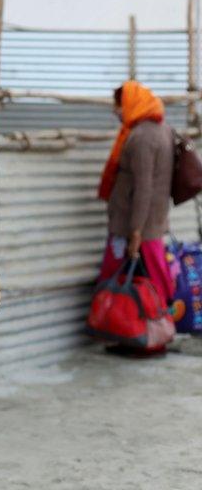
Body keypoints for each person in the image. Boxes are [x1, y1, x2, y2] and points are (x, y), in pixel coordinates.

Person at [97, 80, 175, 354]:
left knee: (117, 281)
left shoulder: (141, 137)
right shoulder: (162, 129)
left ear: (130, 103)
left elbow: (144, 187)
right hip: (150, 223)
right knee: (153, 282)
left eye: (119, 104)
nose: (116, 111)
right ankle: (150, 336)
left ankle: (136, 335)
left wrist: (135, 232)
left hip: (134, 226)